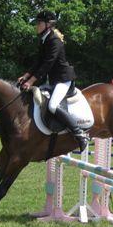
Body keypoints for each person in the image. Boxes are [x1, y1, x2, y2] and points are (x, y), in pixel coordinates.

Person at [17, 10, 89, 152]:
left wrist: (31, 81)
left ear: (48, 24)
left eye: (39, 23)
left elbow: (48, 63)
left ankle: (79, 133)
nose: (36, 26)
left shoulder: (54, 40)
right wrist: (26, 75)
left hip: (64, 79)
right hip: (55, 81)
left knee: (53, 106)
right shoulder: (44, 39)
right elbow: (38, 61)